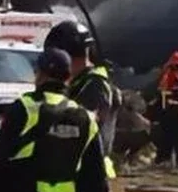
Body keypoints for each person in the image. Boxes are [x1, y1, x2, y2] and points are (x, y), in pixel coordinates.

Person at [0, 47, 108, 192]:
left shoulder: (24, 108)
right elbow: (96, 181)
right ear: (68, 77)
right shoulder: (85, 119)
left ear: (39, 74)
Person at [45, 20, 122, 182]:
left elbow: (81, 126)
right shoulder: (80, 83)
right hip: (77, 172)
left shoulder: (95, 86)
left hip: (89, 175)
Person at [155, 51, 178, 167]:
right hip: (173, 111)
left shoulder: (165, 76)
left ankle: (163, 160)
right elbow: (173, 96)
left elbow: (161, 95)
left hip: (165, 111)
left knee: (166, 138)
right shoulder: (174, 77)